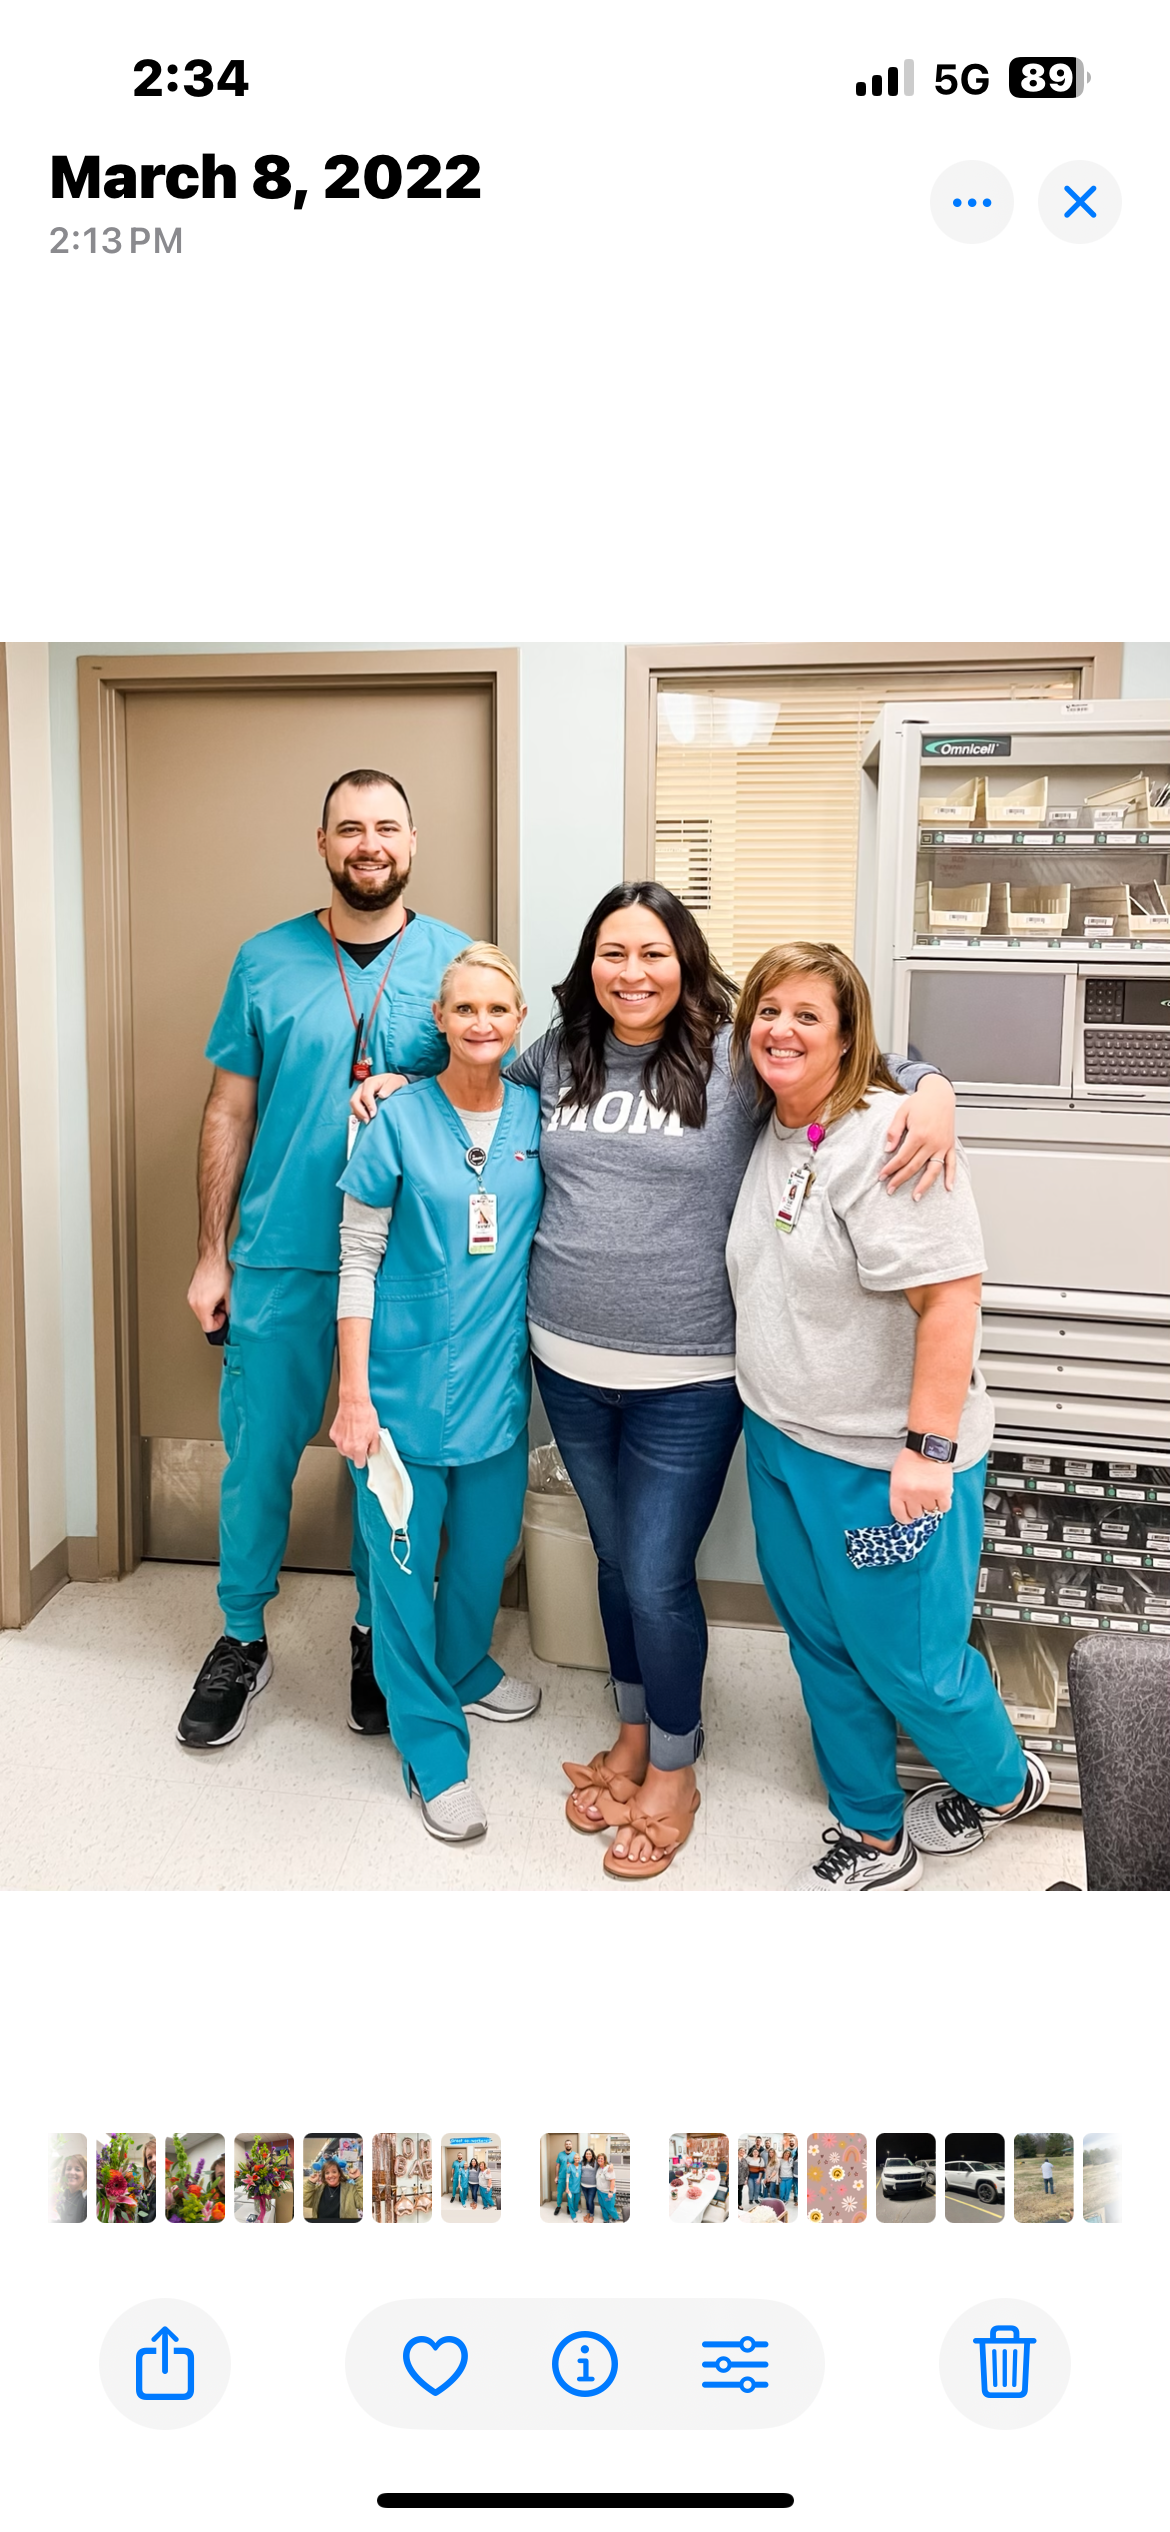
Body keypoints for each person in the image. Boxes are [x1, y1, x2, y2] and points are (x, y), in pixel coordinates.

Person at [498, 883, 955, 1878]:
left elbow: (863, 1060)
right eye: (612, 953)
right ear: (590, 965)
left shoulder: (731, 1053)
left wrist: (933, 1087)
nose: (632, 973)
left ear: (687, 960)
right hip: (567, 1362)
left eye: (653, 953)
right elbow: (472, 1067)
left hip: (693, 1375)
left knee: (658, 1573)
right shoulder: (561, 1052)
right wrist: (384, 1084)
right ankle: (635, 1726)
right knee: (616, 1563)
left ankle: (675, 1764)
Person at [725, 941, 1050, 1892]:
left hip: (883, 1461)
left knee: (910, 1661)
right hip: (783, 1437)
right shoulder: (777, 1120)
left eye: (807, 1016)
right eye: (767, 1011)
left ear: (847, 1034)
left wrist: (926, 1452)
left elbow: (953, 1300)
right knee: (820, 1641)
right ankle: (872, 1829)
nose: (781, 1030)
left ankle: (1002, 1783)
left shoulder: (891, 1138)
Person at [177, 770, 470, 1752]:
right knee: (258, 1458)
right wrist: (211, 1255)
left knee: (382, 1464)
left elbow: (493, 1091)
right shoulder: (264, 962)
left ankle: (372, 1634)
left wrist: (420, 1086)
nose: (369, 843)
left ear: (413, 842)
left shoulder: (455, 962)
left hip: (409, 1269)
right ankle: (241, 1636)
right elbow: (228, 1111)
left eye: (386, 826)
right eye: (351, 828)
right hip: (280, 1258)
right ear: (323, 843)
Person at [333, 946, 544, 1844]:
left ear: (520, 1018)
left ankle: (464, 1667)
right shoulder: (395, 1121)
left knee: (487, 1550)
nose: (483, 1023)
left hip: (496, 1390)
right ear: (442, 1021)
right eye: (465, 1009)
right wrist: (352, 1396)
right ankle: (432, 1752)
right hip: (399, 1394)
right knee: (403, 1571)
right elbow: (358, 1262)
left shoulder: (540, 1116)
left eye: (499, 1008)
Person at [304, 2154, 362, 2221]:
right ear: (324, 2176)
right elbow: (305, 2202)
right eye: (327, 2173)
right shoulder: (318, 2190)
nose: (330, 2175)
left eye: (334, 2172)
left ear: (339, 2174)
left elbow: (362, 2203)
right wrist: (310, 2183)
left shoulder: (350, 2189)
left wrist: (358, 2179)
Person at [51, 2153, 87, 2224]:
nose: (71, 2172)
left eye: (77, 2169)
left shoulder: (86, 2201)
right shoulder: (59, 2195)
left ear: (85, 2175)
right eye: (68, 2168)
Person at [555, 2140, 575, 2213]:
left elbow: (577, 2165)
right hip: (561, 2177)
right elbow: (557, 2165)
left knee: (569, 2193)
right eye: (566, 2144)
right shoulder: (560, 2154)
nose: (568, 2145)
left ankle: (568, 2206)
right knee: (559, 2193)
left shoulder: (574, 2154)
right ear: (564, 2145)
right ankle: (558, 2206)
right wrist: (556, 2176)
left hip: (571, 2178)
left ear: (571, 2145)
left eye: (569, 2144)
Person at [596, 2158, 619, 2222]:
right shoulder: (599, 2167)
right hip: (600, 2191)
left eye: (601, 2159)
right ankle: (606, 2220)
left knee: (610, 2208)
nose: (600, 2160)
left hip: (607, 2193)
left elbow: (612, 2180)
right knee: (603, 2206)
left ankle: (616, 2217)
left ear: (605, 2160)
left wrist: (611, 2191)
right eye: (598, 2159)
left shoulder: (608, 2168)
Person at [580, 2148, 599, 2222]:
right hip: (583, 2185)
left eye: (589, 2154)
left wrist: (611, 2166)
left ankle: (591, 2215)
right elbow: (575, 2163)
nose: (588, 2155)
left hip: (592, 2186)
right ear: (585, 2155)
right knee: (587, 2200)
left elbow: (604, 2166)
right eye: (587, 2154)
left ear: (592, 2155)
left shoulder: (596, 2162)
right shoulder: (582, 2162)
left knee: (590, 2201)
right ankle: (588, 2213)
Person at [746, 2137, 765, 2203]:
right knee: (751, 2189)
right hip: (750, 2177)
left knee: (757, 2189)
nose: (755, 2153)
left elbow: (761, 2169)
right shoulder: (749, 2158)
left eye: (756, 2152)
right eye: (754, 2152)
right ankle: (750, 2199)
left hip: (757, 2176)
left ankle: (756, 2198)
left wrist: (759, 2178)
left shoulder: (761, 2159)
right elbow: (746, 2166)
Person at [566, 2151, 583, 2221]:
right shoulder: (570, 2166)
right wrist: (567, 2188)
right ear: (574, 2159)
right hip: (570, 2188)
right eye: (575, 2158)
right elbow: (567, 2178)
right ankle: (573, 2215)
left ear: (579, 2159)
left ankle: (576, 2209)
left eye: (578, 2158)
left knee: (576, 2201)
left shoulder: (581, 2167)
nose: (576, 2159)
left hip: (578, 2188)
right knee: (570, 2202)